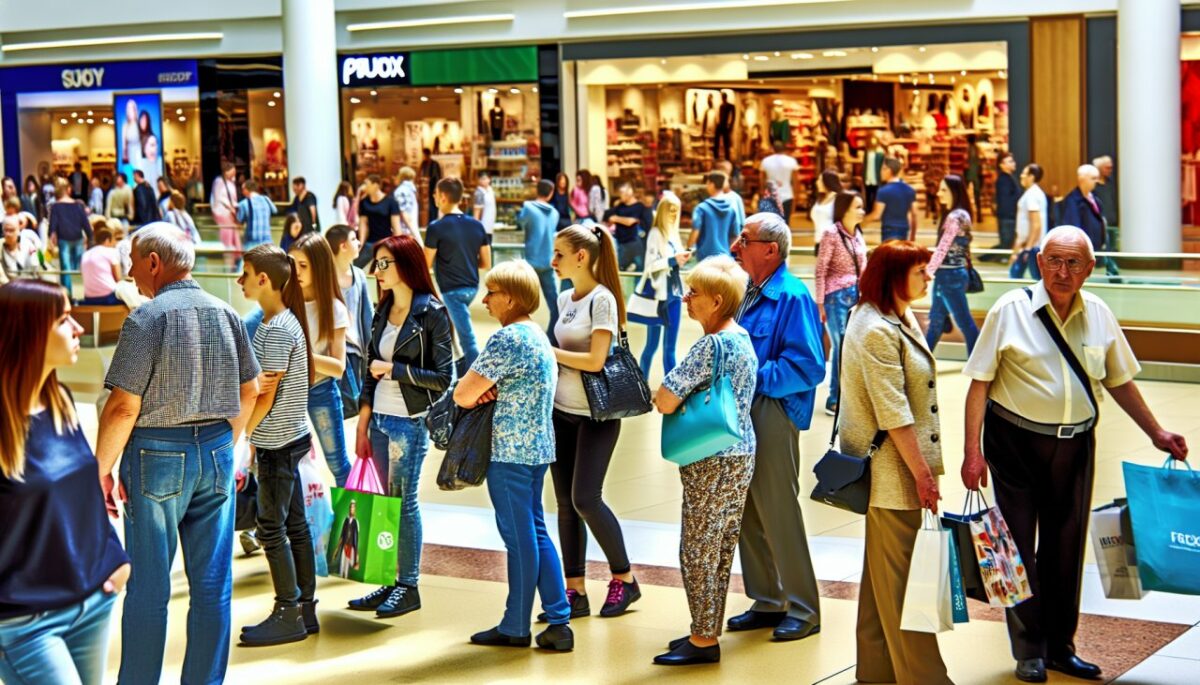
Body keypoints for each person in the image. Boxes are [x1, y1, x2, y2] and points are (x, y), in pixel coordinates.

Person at [962, 226, 1189, 684]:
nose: (1062, 272)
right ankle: (1028, 650)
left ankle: (1061, 647)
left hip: (1077, 445)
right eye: (1054, 262)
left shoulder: (1099, 314)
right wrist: (972, 452)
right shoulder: (1011, 310)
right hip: (1013, 443)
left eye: (1073, 264)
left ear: (1089, 268)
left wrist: (1156, 431)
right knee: (1019, 550)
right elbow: (979, 382)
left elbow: (1119, 379)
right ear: (1040, 262)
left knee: (1066, 549)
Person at [94, 223, 260, 684]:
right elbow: (251, 389)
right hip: (217, 452)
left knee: (149, 586)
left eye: (132, 262)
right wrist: (233, 438)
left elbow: (124, 406)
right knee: (211, 584)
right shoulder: (227, 312)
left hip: (156, 457)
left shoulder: (145, 320)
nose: (129, 272)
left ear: (153, 262)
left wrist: (99, 472)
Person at [0, 279, 131, 685]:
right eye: (62, 320)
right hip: (26, 622)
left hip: (92, 600)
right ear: (29, 332)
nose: (77, 328)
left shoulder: (59, 403)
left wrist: (116, 557)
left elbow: (86, 496)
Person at [839, 240, 953, 685]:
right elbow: (894, 412)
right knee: (908, 587)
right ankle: (926, 678)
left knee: (882, 582)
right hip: (893, 474)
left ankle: (876, 671)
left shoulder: (892, 317)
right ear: (893, 276)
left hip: (891, 472)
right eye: (921, 270)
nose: (929, 277)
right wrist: (923, 476)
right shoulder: (875, 329)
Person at [453, 259, 573, 651]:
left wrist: (482, 392)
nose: (484, 300)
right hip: (538, 447)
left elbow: (463, 395)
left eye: (492, 293)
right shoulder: (536, 334)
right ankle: (558, 619)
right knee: (536, 533)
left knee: (519, 540)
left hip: (508, 450)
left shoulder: (507, 340)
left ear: (512, 297)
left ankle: (516, 625)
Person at [652, 256, 758, 666]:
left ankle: (703, 640)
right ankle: (705, 628)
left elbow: (666, 398)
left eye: (694, 292)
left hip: (709, 457)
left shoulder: (709, 345)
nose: (686, 297)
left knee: (696, 547)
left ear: (716, 301)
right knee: (720, 546)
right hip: (741, 451)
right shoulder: (743, 338)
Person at [727, 211, 826, 642]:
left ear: (770, 249)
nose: (735, 246)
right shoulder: (746, 292)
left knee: (779, 510)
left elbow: (807, 367)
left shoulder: (792, 296)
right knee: (745, 506)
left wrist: (752, 378)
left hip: (771, 410)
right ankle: (768, 599)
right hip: (737, 411)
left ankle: (803, 608)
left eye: (743, 239)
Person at [348, 234, 455, 618]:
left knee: (404, 502)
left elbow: (445, 377)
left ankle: (408, 585)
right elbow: (368, 370)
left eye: (384, 264)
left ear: (406, 265)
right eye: (375, 264)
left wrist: (396, 370)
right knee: (384, 504)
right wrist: (362, 424)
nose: (377, 272)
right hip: (378, 419)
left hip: (409, 423)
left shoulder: (432, 312)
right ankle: (389, 580)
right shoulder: (384, 309)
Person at [547, 224, 639, 620]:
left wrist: (547, 351)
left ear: (581, 257)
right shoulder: (565, 296)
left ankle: (626, 578)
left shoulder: (602, 301)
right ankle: (575, 590)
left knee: (586, 498)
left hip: (597, 414)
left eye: (559, 254)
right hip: (561, 411)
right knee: (566, 504)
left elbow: (596, 360)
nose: (552, 261)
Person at [237, 243, 319, 646]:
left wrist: (243, 435)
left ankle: (288, 610)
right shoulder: (286, 323)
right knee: (295, 524)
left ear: (264, 279)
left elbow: (265, 395)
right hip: (292, 437)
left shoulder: (273, 329)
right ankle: (305, 607)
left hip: (277, 443)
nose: (240, 281)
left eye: (245, 273)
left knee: (271, 528)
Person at [290, 232, 352, 487]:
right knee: (287, 463)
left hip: (321, 389)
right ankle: (296, 524)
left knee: (337, 463)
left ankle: (350, 522)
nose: (296, 271)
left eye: (303, 265)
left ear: (320, 267)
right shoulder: (285, 301)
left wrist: (298, 353)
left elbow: (339, 367)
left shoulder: (334, 308)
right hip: (288, 391)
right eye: (292, 264)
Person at [424, 177, 492, 374]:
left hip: (451, 290)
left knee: (468, 339)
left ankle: (475, 380)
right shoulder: (477, 225)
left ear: (443, 197)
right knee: (451, 329)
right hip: (472, 288)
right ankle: (456, 371)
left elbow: (425, 263)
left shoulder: (436, 227)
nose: (434, 198)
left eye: (436, 194)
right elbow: (486, 262)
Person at [815, 191, 868, 416]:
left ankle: (848, 396)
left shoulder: (857, 233)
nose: (862, 211)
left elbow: (863, 266)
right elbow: (821, 270)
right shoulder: (831, 233)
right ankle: (834, 398)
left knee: (852, 346)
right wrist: (819, 304)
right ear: (845, 209)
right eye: (858, 207)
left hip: (856, 295)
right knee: (842, 346)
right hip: (835, 297)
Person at [924, 173, 980, 354]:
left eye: (943, 190)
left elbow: (943, 246)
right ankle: (919, 364)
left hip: (950, 275)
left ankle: (978, 368)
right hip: (951, 274)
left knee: (965, 324)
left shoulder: (955, 216)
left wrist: (928, 271)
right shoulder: (960, 214)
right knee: (936, 322)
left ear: (954, 192)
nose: (939, 193)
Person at [639, 193, 692, 378]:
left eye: (676, 211)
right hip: (658, 296)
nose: (674, 214)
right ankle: (641, 388)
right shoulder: (655, 234)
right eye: (670, 210)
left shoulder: (674, 234)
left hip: (674, 294)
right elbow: (650, 266)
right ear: (662, 211)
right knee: (651, 346)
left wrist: (680, 259)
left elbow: (671, 263)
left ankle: (672, 391)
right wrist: (672, 260)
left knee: (670, 348)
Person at [326, 224, 374, 422]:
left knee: (352, 405)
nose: (359, 243)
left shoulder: (359, 276)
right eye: (354, 239)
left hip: (355, 352)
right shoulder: (323, 277)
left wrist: (372, 351)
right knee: (338, 405)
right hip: (331, 353)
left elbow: (367, 316)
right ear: (343, 245)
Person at [517, 179, 561, 329]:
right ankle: (552, 337)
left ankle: (522, 332)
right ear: (551, 193)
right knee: (554, 304)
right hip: (548, 261)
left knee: (521, 302)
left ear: (537, 191)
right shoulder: (555, 213)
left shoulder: (528, 207)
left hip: (530, 262)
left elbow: (520, 223)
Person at [48, 178, 93, 292]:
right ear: (68, 189)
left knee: (66, 269)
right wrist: (90, 237)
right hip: (78, 238)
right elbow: (85, 223)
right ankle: (77, 295)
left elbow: (53, 225)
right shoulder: (78, 205)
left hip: (64, 239)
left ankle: (67, 296)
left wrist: (51, 237)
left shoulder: (56, 206)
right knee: (77, 268)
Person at [356, 173, 407, 269]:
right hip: (370, 243)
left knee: (383, 269)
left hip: (385, 243)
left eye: (367, 184)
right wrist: (361, 243)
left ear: (375, 185)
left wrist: (399, 246)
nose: (364, 187)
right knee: (356, 266)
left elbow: (396, 227)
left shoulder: (391, 202)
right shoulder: (364, 202)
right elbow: (363, 223)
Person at [689, 171, 740, 261]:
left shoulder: (701, 208)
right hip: (725, 257)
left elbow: (695, 232)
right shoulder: (731, 209)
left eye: (707, 183)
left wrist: (688, 249)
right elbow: (735, 236)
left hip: (705, 258)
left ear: (712, 184)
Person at [866, 158, 918, 243]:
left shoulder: (883, 191)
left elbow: (876, 215)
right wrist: (913, 236)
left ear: (889, 170)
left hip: (889, 230)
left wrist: (862, 223)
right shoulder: (909, 189)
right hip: (904, 229)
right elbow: (914, 214)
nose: (880, 172)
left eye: (882, 169)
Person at [604, 180, 653, 271]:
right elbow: (608, 217)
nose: (620, 195)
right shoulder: (620, 206)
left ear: (629, 192)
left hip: (636, 245)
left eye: (622, 193)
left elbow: (631, 222)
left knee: (640, 271)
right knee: (621, 270)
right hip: (622, 244)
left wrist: (617, 219)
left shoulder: (640, 207)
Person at [1010, 163, 1047, 280]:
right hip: (1029, 245)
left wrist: (1027, 248)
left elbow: (1036, 224)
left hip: (1030, 247)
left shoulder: (1032, 195)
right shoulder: (1034, 193)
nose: (1021, 176)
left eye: (1024, 173)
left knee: (1016, 276)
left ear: (1031, 177)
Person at [80, 225, 123, 305]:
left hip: (88, 298)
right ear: (107, 240)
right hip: (108, 297)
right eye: (113, 241)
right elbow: (118, 278)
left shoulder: (85, 254)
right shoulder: (111, 251)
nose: (114, 244)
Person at [760, 139, 799, 220]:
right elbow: (796, 181)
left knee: (771, 222)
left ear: (772, 149)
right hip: (787, 195)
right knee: (785, 222)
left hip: (770, 195)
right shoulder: (791, 161)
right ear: (784, 149)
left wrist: (761, 194)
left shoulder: (765, 161)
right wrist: (796, 196)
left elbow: (761, 180)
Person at [236, 180, 278, 252]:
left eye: (243, 189)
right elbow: (275, 210)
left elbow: (239, 220)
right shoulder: (266, 199)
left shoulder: (243, 203)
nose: (242, 192)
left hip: (251, 243)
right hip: (267, 241)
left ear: (246, 190)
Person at [211, 162, 240, 262]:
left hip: (230, 212)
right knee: (228, 237)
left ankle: (234, 259)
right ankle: (229, 260)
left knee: (233, 236)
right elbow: (219, 197)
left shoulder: (230, 182)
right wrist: (230, 207)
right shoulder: (219, 182)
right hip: (224, 213)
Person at [993, 152, 1020, 253]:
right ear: (1001, 165)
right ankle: (984, 258)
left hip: (1009, 218)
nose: (1013, 163)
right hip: (1007, 218)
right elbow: (1005, 202)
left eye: (1012, 161)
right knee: (1005, 247)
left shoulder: (1009, 178)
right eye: (1010, 161)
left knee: (1006, 245)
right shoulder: (1004, 180)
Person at [2, 214, 42, 280]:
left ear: (18, 231)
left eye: (11, 230)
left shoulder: (28, 245)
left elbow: (35, 267)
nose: (8, 234)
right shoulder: (1, 248)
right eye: (6, 230)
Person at [810, 168, 841, 251]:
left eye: (820, 180)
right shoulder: (820, 198)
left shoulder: (837, 198)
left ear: (827, 182)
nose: (817, 183)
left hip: (832, 243)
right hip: (818, 241)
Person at [393, 166, 419, 235]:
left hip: (403, 231)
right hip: (408, 230)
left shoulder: (401, 191)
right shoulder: (410, 191)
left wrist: (414, 234)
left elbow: (404, 213)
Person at [418, 149, 443, 221]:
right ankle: (428, 220)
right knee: (426, 207)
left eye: (424, 155)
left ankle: (433, 220)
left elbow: (436, 177)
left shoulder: (434, 164)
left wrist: (436, 188)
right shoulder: (423, 164)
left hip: (433, 188)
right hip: (425, 189)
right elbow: (420, 174)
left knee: (433, 206)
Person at [474, 171, 498, 238]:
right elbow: (477, 212)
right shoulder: (479, 193)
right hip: (482, 228)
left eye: (486, 178)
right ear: (478, 180)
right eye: (482, 179)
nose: (484, 181)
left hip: (490, 227)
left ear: (489, 179)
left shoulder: (490, 190)